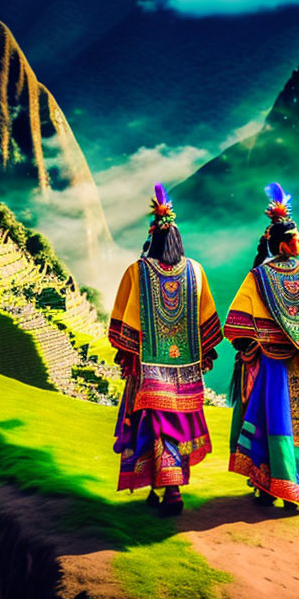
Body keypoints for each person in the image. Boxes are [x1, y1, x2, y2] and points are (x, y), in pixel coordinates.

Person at [225, 183, 299, 510]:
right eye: (295, 238)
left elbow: (236, 323)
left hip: (273, 365)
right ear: (281, 243)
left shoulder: (259, 276)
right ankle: (295, 490)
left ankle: (271, 485)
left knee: (272, 422)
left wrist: (250, 349)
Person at [109, 183, 223, 516]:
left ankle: (168, 488)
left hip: (149, 372)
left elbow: (121, 326)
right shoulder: (196, 271)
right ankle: (169, 486)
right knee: (173, 428)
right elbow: (208, 326)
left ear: (153, 238)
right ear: (177, 239)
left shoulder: (137, 271)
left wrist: (131, 355)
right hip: (186, 374)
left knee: (154, 429)